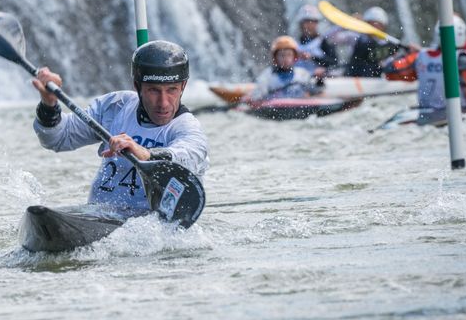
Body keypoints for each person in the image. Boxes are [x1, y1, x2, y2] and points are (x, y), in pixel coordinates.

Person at [31, 40, 209, 211]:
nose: (163, 103)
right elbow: (58, 139)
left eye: (172, 90)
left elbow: (188, 157)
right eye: (153, 90)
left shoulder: (187, 127)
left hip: (147, 224)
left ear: (183, 86)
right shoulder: (115, 106)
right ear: (137, 86)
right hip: (98, 215)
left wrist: (147, 154)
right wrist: (49, 105)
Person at [381, 14, 466, 111]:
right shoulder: (461, 59)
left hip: (427, 112)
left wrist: (405, 54)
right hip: (457, 113)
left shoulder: (420, 57)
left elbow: (390, 71)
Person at [252, 36, 322, 101]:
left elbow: (317, 93)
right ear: (275, 58)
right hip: (275, 108)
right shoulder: (267, 75)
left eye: (289, 55)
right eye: (282, 55)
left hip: (298, 108)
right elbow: (256, 97)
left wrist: (319, 81)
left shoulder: (302, 74)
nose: (285, 58)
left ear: (294, 57)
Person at [345, 6, 399, 77]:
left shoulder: (388, 45)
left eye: (378, 24)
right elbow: (332, 37)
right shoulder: (356, 37)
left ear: (383, 27)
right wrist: (349, 23)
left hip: (376, 79)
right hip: (355, 77)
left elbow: (390, 64)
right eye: (371, 24)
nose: (374, 27)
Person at [294, 4, 338, 77]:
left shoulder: (324, 42)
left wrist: (313, 58)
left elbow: (334, 63)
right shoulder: (294, 44)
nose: (309, 25)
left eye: (312, 22)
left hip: (320, 81)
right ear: (301, 24)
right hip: (298, 81)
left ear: (317, 23)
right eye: (306, 21)